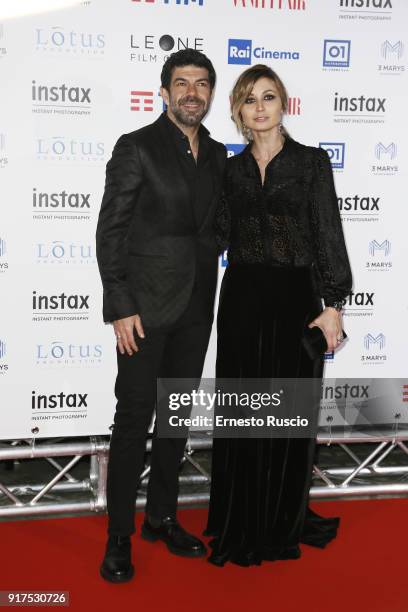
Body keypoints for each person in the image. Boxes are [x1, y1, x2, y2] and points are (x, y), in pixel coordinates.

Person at [205, 64, 352, 567]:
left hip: (295, 299)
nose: (260, 107)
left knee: (289, 415)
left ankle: (279, 518)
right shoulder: (231, 169)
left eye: (269, 97)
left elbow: (328, 233)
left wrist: (333, 305)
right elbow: (217, 234)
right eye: (250, 99)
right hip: (243, 296)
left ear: (282, 104)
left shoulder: (312, 164)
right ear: (239, 111)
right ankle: (242, 517)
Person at [96, 49, 226, 582]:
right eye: (182, 83)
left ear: (211, 94)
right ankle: (119, 536)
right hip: (144, 313)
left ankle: (163, 516)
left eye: (201, 84)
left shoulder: (219, 155)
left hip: (197, 308)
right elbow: (111, 231)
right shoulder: (137, 147)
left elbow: (219, 227)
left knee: (176, 419)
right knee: (132, 422)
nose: (192, 92)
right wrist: (120, 306)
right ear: (165, 91)